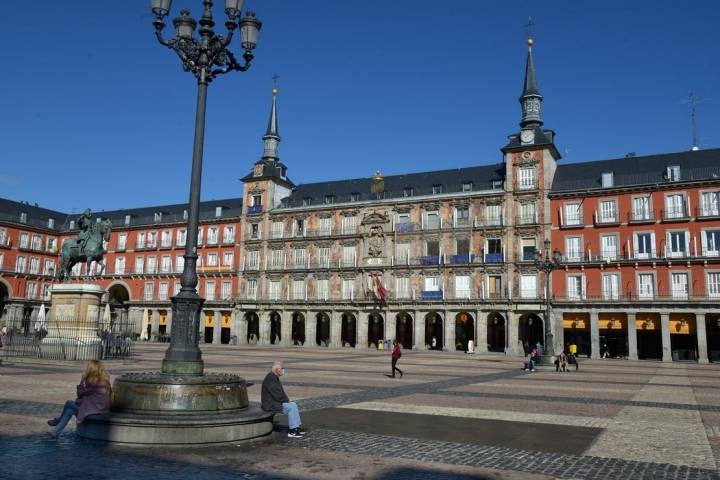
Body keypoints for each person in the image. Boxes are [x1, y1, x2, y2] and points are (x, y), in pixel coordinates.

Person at [47, 360, 111, 437]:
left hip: (94, 411)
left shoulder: (93, 383)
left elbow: (80, 394)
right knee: (69, 407)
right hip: (100, 409)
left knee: (69, 406)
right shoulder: (103, 381)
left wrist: (82, 381)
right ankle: (56, 430)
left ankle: (56, 427)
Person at [261, 361, 306, 438]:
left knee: (293, 404)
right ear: (276, 370)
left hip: (274, 402)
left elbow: (280, 393)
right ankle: (292, 431)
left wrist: (287, 400)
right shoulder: (271, 378)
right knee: (291, 407)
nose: (283, 370)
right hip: (270, 404)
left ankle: (296, 427)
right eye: (282, 368)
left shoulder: (274, 376)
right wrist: (286, 401)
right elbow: (277, 394)